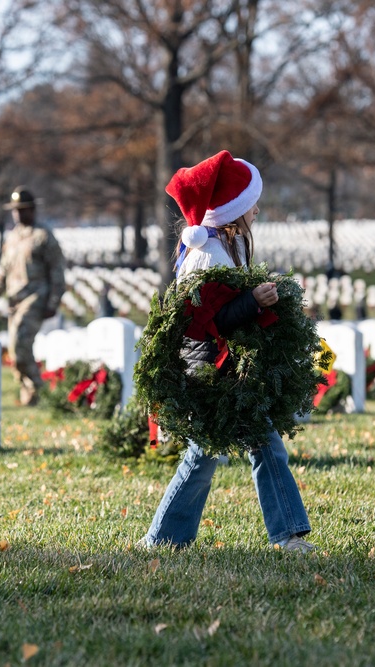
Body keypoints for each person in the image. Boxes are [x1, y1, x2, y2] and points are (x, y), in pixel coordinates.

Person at [138, 150, 314, 553]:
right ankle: (284, 535)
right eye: (252, 203)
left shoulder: (225, 246)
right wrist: (253, 301)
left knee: (244, 446)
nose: (257, 210)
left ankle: (167, 537)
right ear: (233, 209)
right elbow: (204, 320)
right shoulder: (207, 253)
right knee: (217, 451)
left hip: (224, 365)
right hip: (209, 367)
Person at [0, 186, 66, 406]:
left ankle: (39, 391)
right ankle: (29, 390)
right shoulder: (12, 238)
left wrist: (53, 302)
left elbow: (57, 271)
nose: (18, 214)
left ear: (32, 210)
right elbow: (2, 272)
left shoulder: (43, 236)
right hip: (14, 301)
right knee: (17, 353)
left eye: (23, 209)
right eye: (15, 210)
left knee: (19, 348)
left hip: (35, 298)